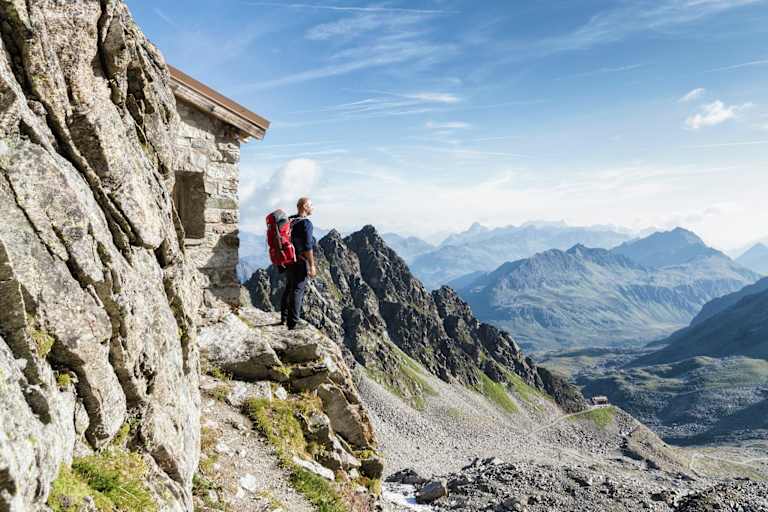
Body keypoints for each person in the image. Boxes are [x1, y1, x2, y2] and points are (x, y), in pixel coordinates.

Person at [280, 197, 317, 330]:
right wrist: (312, 265)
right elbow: (308, 246)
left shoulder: (290, 220)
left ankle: (284, 318)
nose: (313, 208)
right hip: (300, 261)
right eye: (311, 205)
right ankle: (293, 323)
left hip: (288, 259)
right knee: (297, 290)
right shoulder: (306, 223)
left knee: (289, 287)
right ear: (305, 206)